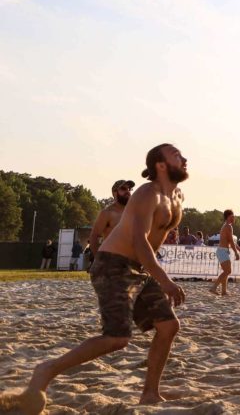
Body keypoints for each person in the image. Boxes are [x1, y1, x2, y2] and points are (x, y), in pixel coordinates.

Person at [17, 143, 188, 413]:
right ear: (161, 165)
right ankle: (46, 370)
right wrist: (165, 279)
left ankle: (150, 393)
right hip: (113, 265)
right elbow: (139, 240)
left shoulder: (177, 196)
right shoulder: (147, 193)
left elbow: (156, 238)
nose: (184, 158)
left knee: (168, 326)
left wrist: (154, 275)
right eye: (176, 155)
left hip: (139, 268)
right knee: (116, 339)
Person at [89, 180, 136, 262]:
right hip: (113, 261)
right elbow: (94, 236)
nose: (127, 191)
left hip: (132, 260)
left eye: (129, 189)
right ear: (114, 192)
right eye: (123, 189)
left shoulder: (134, 212)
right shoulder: (107, 213)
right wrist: (99, 259)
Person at [211, 210, 240, 296]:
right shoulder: (228, 227)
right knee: (228, 271)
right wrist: (236, 253)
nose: (234, 218)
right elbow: (231, 242)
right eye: (232, 216)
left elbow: (232, 243)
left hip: (223, 251)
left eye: (233, 216)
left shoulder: (227, 226)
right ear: (228, 217)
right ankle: (214, 287)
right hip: (222, 251)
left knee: (226, 271)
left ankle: (224, 291)